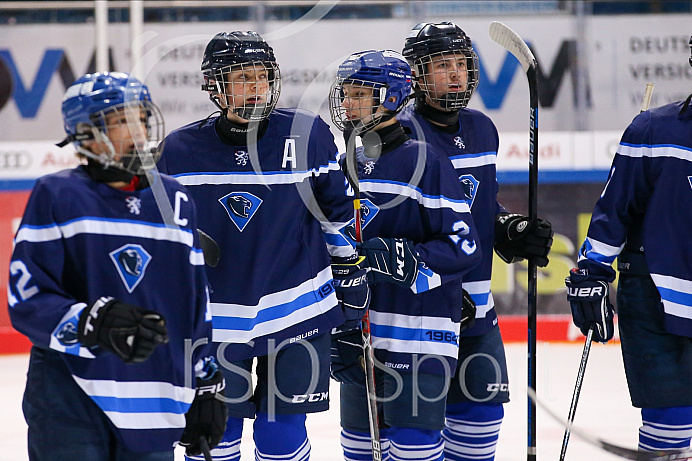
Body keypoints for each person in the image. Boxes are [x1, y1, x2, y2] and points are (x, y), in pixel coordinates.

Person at [158, 32, 367, 461]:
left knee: (281, 434)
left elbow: (337, 213)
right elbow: (161, 235)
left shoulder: (307, 135)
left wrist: (349, 270)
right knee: (215, 433)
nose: (254, 87)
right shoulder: (177, 152)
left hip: (298, 309)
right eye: (241, 77)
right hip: (217, 321)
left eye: (261, 76)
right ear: (215, 86)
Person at [7, 72, 225, 461]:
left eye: (140, 118)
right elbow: (27, 298)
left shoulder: (175, 200)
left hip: (154, 392)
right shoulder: (57, 195)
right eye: (121, 120)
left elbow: (196, 304)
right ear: (86, 134)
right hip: (70, 394)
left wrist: (206, 380)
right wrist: (91, 322)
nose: (137, 130)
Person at [398, 22, 554, 461]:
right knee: (415, 439)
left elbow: (480, 206)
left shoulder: (483, 129)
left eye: (462, 65)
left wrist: (508, 229)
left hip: (477, 310)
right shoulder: (399, 135)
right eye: (442, 66)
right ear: (416, 74)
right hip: (419, 312)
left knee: (482, 425)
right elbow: (394, 225)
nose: (455, 75)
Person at [328, 49, 483, 461]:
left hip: (419, 331)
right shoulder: (345, 164)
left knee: (414, 450)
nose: (347, 104)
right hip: (361, 332)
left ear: (392, 98)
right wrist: (335, 322)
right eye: (345, 94)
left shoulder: (425, 160)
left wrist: (409, 259)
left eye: (359, 94)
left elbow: (465, 246)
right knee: (359, 449)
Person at [566, 35, 692, 453]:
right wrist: (592, 273)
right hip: (658, 300)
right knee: (670, 428)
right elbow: (613, 212)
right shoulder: (655, 130)